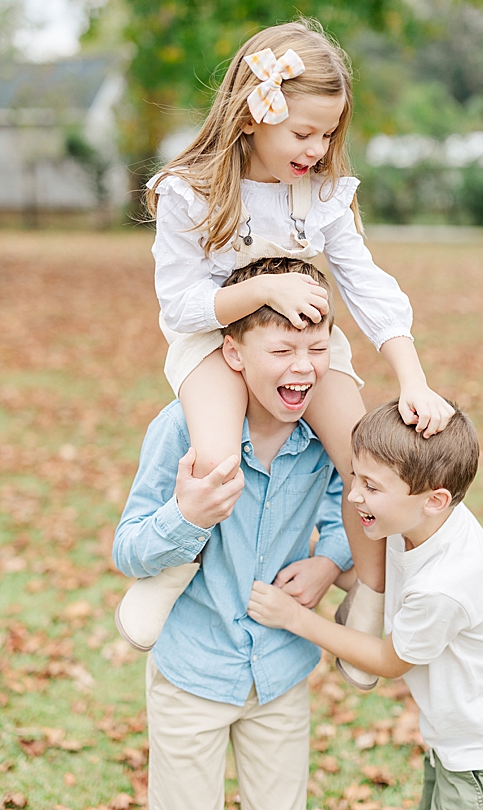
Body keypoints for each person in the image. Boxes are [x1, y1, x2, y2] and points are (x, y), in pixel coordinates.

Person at [116, 19, 454, 692]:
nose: (317, 147)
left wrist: (411, 376)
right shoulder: (191, 191)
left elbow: (365, 285)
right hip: (211, 340)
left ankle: (370, 594)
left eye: (329, 133)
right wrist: (265, 287)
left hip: (299, 342)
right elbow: (180, 306)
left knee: (365, 458)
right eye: (302, 133)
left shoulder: (325, 194)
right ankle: (173, 572)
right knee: (216, 459)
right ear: (252, 115)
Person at [112, 258, 353, 810]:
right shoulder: (182, 428)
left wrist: (330, 562)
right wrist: (187, 516)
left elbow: (351, 501)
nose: (304, 368)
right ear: (233, 353)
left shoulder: (323, 437)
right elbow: (127, 549)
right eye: (282, 351)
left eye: (318, 350)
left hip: (280, 671)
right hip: (193, 673)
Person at [247, 401, 483, 810]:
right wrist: (327, 568)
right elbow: (389, 579)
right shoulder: (415, 522)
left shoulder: (444, 584)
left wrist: (294, 618)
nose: (354, 494)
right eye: (355, 477)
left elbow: (390, 660)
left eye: (372, 487)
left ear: (435, 499)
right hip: (460, 740)